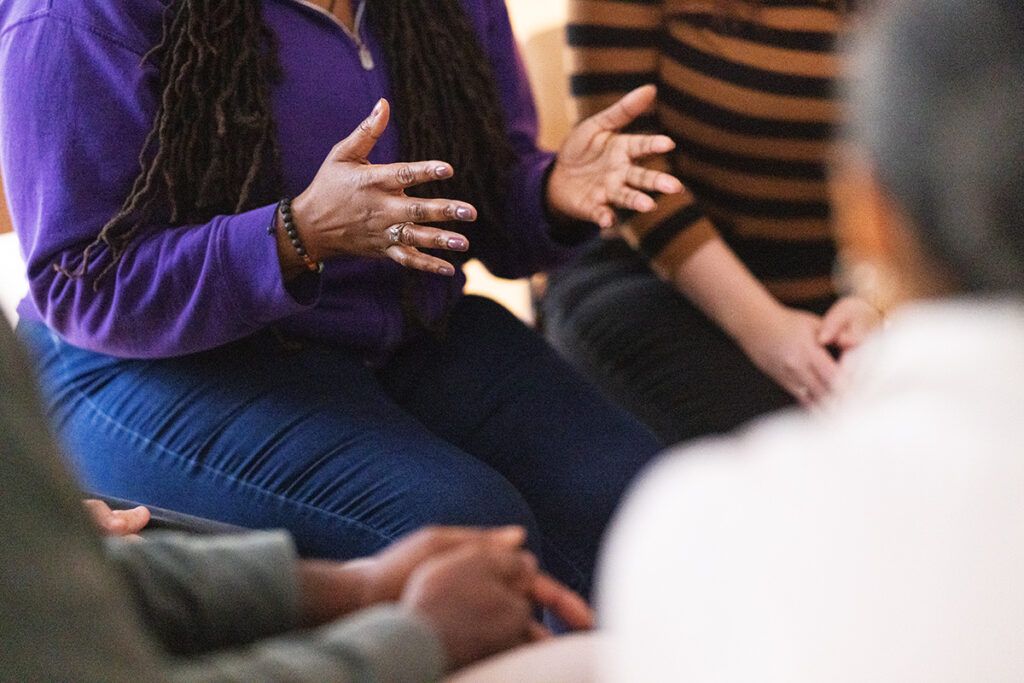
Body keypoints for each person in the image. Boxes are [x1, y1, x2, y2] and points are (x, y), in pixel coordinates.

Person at [0, 0, 674, 598]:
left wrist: (554, 193)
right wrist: (293, 236)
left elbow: (483, 196)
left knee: (649, 507)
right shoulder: (75, 14)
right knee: (461, 528)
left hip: (395, 329)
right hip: (139, 366)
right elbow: (81, 280)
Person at [599, 0, 1024, 679]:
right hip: (663, 287)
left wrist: (876, 303)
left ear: (866, 212)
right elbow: (619, 164)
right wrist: (777, 326)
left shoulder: (702, 527)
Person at [1, 311, 593, 680]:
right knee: (451, 510)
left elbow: (53, 589)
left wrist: (360, 585)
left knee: (612, 502)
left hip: (359, 326)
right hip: (125, 350)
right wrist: (417, 639)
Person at [541, 0, 882, 445]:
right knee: (797, 458)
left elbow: (934, 159)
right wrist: (765, 329)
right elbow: (628, 167)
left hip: (861, 296)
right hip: (661, 283)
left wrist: (878, 300)